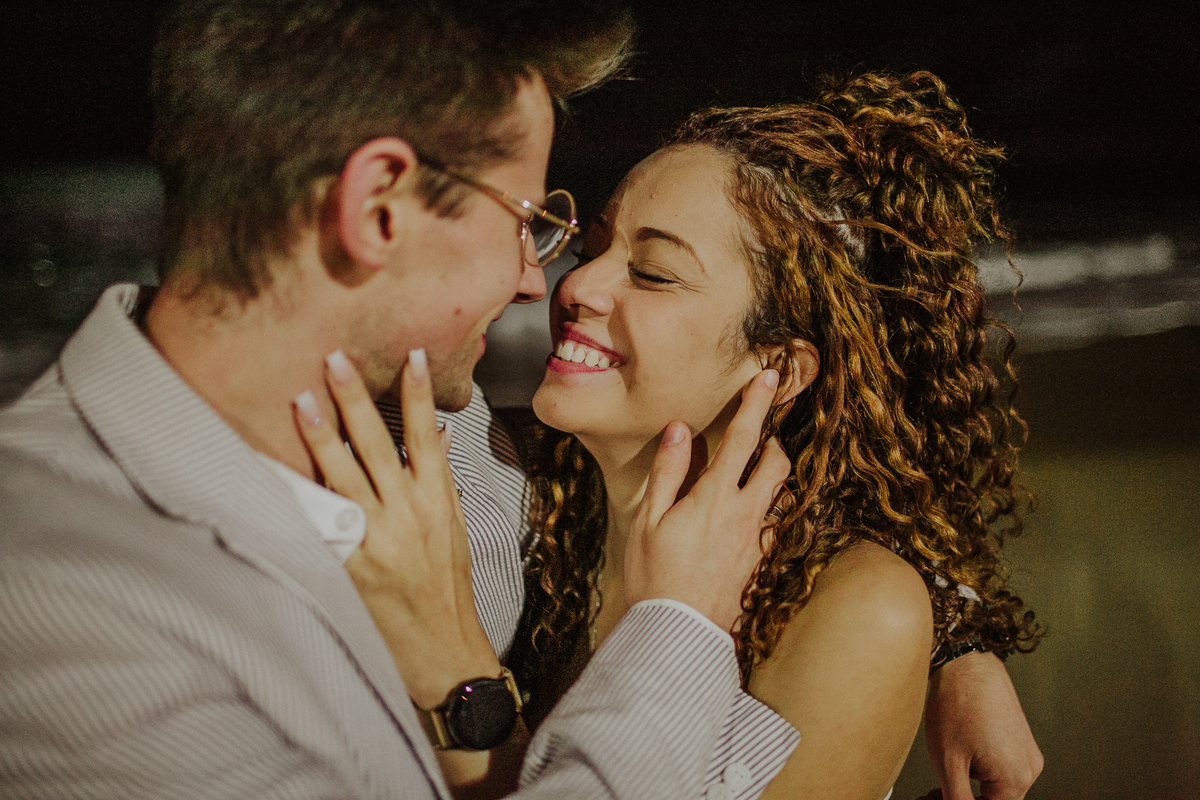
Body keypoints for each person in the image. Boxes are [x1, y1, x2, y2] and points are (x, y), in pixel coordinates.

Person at [0, 1, 800, 797]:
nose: (536, 281)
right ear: (377, 209)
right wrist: (677, 629)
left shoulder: (452, 434)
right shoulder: (60, 599)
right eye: (523, 221)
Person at [500, 70, 1044, 799]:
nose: (577, 287)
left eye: (653, 274)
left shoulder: (851, 610)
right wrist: (960, 635)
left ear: (780, 368)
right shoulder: (517, 487)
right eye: (590, 249)